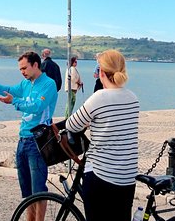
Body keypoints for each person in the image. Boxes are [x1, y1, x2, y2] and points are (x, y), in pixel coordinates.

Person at [0, 51, 57, 221]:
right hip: (23, 141)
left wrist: (14, 102)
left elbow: (37, 106)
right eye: (20, 69)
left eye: (24, 68)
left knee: (38, 190)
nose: (22, 71)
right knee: (27, 192)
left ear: (36, 65)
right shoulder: (25, 84)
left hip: (38, 141)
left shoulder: (48, 84)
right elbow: (9, 90)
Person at [66, 49, 139, 221]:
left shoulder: (99, 97)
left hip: (101, 174)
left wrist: (90, 121)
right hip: (127, 177)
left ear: (101, 72)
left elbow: (72, 125)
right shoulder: (133, 98)